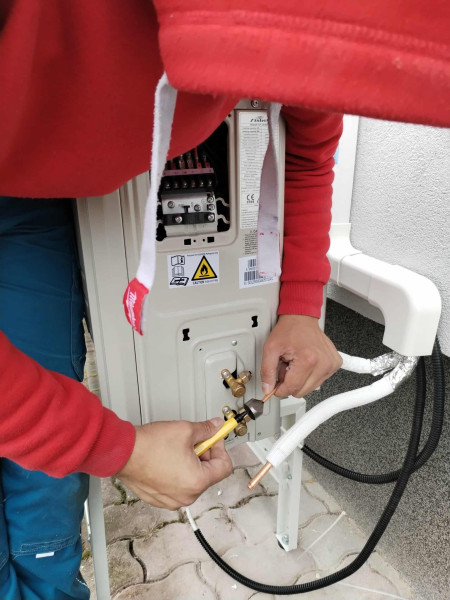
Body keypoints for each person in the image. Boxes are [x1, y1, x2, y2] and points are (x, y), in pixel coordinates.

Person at [3, 0, 447, 598]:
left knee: (41, 473)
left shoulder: (303, 29)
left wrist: (300, 305)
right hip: (17, 173)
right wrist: (113, 449)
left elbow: (308, 153)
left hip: (33, 198)